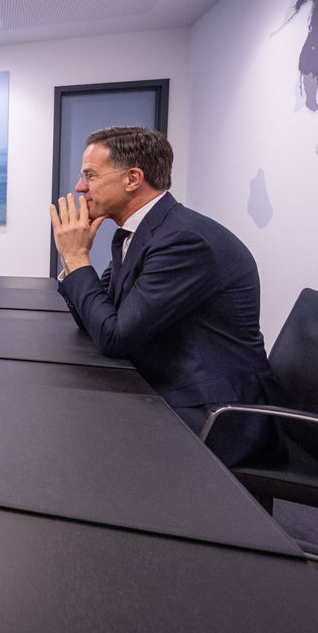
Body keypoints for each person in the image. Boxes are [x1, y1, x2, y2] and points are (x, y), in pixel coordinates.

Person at [49, 126, 278, 466]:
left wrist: (77, 258)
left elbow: (113, 337)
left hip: (213, 411)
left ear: (132, 178)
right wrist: (74, 262)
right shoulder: (140, 232)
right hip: (168, 378)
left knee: (71, 442)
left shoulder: (183, 241)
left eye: (90, 176)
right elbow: (101, 319)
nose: (80, 187)